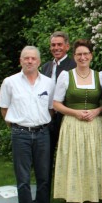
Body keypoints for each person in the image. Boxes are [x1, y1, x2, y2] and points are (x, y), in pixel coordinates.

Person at [52, 39, 102, 203]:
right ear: (74, 56)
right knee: (76, 165)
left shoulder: (100, 76)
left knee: (94, 165)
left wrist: (97, 110)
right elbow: (56, 104)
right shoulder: (65, 76)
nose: (82, 57)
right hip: (73, 126)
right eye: (79, 54)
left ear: (91, 56)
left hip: (95, 126)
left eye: (86, 53)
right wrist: (75, 112)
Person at [0, 46, 57, 203]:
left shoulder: (48, 83)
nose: (29, 61)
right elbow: (4, 108)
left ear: (39, 61)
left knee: (44, 176)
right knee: (22, 178)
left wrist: (40, 124)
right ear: (20, 61)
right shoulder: (10, 82)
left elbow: (51, 109)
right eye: (26, 58)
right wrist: (16, 126)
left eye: (33, 58)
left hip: (42, 134)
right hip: (20, 134)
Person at [41, 31, 76, 171]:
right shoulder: (46, 67)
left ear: (67, 46)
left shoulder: (74, 65)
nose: (56, 48)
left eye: (60, 45)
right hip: (48, 118)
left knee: (67, 157)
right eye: (53, 45)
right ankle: (45, 191)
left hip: (66, 116)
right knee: (46, 157)